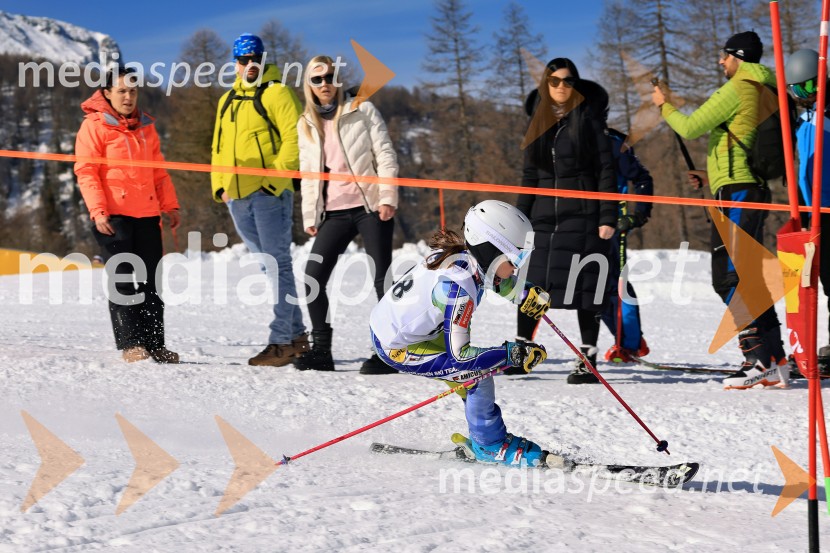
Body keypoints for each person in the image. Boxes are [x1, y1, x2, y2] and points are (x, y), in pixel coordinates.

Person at [652, 31, 787, 389]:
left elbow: (691, 126)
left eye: (724, 56)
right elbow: (742, 143)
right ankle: (777, 358)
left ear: (738, 57)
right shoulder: (766, 87)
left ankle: (757, 359)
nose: (720, 62)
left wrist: (663, 105)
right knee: (748, 275)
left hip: (738, 192)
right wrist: (708, 173)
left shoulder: (741, 85)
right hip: (746, 188)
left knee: (728, 275)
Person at [369, 200, 551, 465]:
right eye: (515, 258)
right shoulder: (456, 291)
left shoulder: (464, 258)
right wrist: (511, 354)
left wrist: (523, 294)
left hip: (408, 330)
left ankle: (482, 433)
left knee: (471, 376)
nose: (516, 268)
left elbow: (491, 278)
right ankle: (490, 445)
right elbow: (461, 357)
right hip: (397, 347)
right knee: (476, 374)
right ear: (490, 251)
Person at [294, 55, 399, 374]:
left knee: (383, 279)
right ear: (309, 86)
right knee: (313, 278)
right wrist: (310, 216)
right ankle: (322, 351)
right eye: (317, 79)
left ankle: (388, 353)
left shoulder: (361, 108)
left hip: (369, 206)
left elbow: (384, 152)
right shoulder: (306, 123)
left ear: (337, 80)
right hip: (334, 213)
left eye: (329, 77)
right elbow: (307, 173)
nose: (324, 84)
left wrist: (387, 196)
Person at [515, 58, 617, 384]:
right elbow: (529, 176)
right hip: (545, 220)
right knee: (535, 288)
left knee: (586, 287)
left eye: (568, 81)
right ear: (546, 84)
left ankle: (587, 356)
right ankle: (522, 351)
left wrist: (607, 216)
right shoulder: (538, 124)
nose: (562, 87)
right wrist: (519, 218)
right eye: (555, 81)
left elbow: (606, 171)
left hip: (583, 217)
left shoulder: (588, 121)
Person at [211, 33, 307, 367]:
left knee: (277, 263)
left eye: (254, 59)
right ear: (234, 64)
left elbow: (295, 140)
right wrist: (220, 186)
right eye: (242, 60)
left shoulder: (278, 92)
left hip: (269, 196)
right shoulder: (227, 100)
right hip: (236, 197)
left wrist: (273, 182)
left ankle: (281, 340)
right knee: (269, 265)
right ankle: (296, 336)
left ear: (263, 59)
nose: (249, 65)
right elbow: (218, 147)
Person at [74, 66, 181, 363]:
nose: (128, 96)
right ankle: (131, 344)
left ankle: (155, 343)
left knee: (151, 282)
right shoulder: (94, 126)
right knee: (123, 281)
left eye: (132, 91)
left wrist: (169, 205)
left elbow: (159, 172)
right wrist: (98, 212)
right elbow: (86, 172)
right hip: (114, 216)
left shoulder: (147, 127)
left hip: (147, 214)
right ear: (106, 93)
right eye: (121, 91)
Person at [785, 48, 830, 375]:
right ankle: (808, 348)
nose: (802, 96)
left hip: (827, 207)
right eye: (797, 90)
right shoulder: (807, 117)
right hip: (812, 212)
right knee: (812, 282)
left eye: (806, 88)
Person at [601, 128, 653, 363]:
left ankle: (629, 344)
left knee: (616, 283)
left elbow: (643, 179)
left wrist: (638, 215)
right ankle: (625, 341)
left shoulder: (614, 143)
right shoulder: (568, 139)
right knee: (590, 285)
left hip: (612, 225)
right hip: (581, 225)